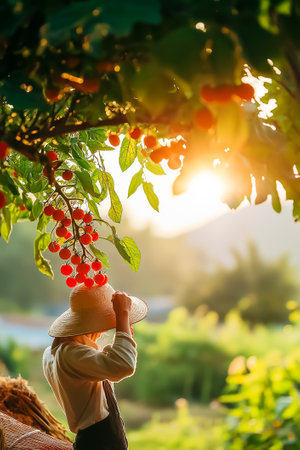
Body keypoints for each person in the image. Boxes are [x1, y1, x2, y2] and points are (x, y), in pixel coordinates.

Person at [43, 282, 148, 449]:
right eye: (106, 323)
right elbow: (124, 365)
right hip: (99, 442)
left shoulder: (54, 353)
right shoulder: (70, 355)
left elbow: (105, 365)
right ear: (92, 322)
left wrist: (123, 337)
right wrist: (122, 315)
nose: (105, 331)